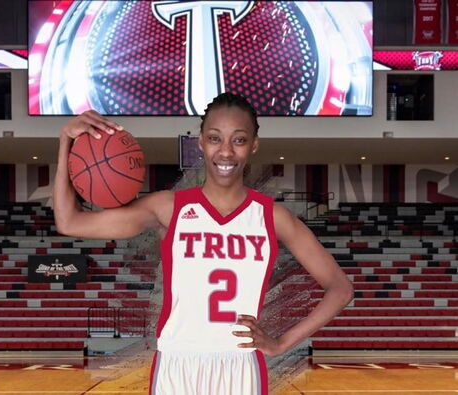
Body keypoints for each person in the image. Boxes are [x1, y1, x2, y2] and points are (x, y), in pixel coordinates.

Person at [53, 92, 353, 395]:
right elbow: (69, 222)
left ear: (253, 145)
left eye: (238, 140)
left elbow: (340, 289)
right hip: (177, 362)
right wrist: (66, 140)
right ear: (200, 142)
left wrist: (281, 343)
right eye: (214, 138)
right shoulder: (168, 208)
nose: (225, 152)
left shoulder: (272, 217)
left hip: (239, 363)